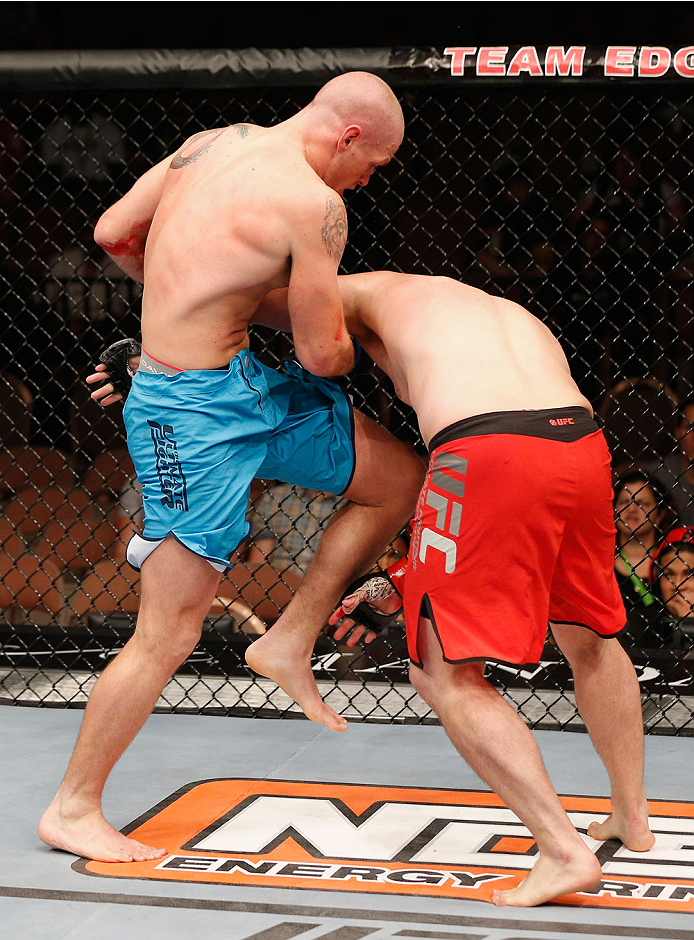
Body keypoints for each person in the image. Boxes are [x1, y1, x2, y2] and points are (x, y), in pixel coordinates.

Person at [38, 73, 425, 866]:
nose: (368, 180)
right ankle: (73, 808)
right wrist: (383, 342)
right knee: (168, 631)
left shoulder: (203, 148)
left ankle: (288, 638)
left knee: (399, 482)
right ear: (350, 137)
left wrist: (197, 295)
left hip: (245, 386)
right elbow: (322, 353)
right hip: (189, 421)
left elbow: (115, 232)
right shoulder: (315, 206)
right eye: (375, 165)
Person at [241, 271, 654, 908]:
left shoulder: (347, 295)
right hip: (580, 441)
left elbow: (250, 308)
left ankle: (562, 850)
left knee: (443, 669)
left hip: (487, 445)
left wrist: (152, 351)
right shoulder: (473, 307)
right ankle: (633, 817)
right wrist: (406, 579)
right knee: (590, 636)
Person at [613, 469, 668, 647]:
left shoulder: (675, 563)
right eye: (624, 502)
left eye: (642, 503)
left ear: (659, 515)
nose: (632, 509)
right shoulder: (599, 565)